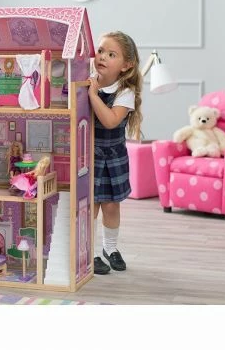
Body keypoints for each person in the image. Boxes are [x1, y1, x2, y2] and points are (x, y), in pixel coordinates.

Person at [87, 31, 143, 275]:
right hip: (89, 155)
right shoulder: (87, 81)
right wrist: (90, 89)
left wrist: (93, 95)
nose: (102, 57)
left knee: (111, 206)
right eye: (100, 51)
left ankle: (110, 248)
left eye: (111, 54)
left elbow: (110, 121)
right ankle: (89, 252)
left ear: (126, 65)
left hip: (113, 156)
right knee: (90, 206)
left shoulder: (124, 91)